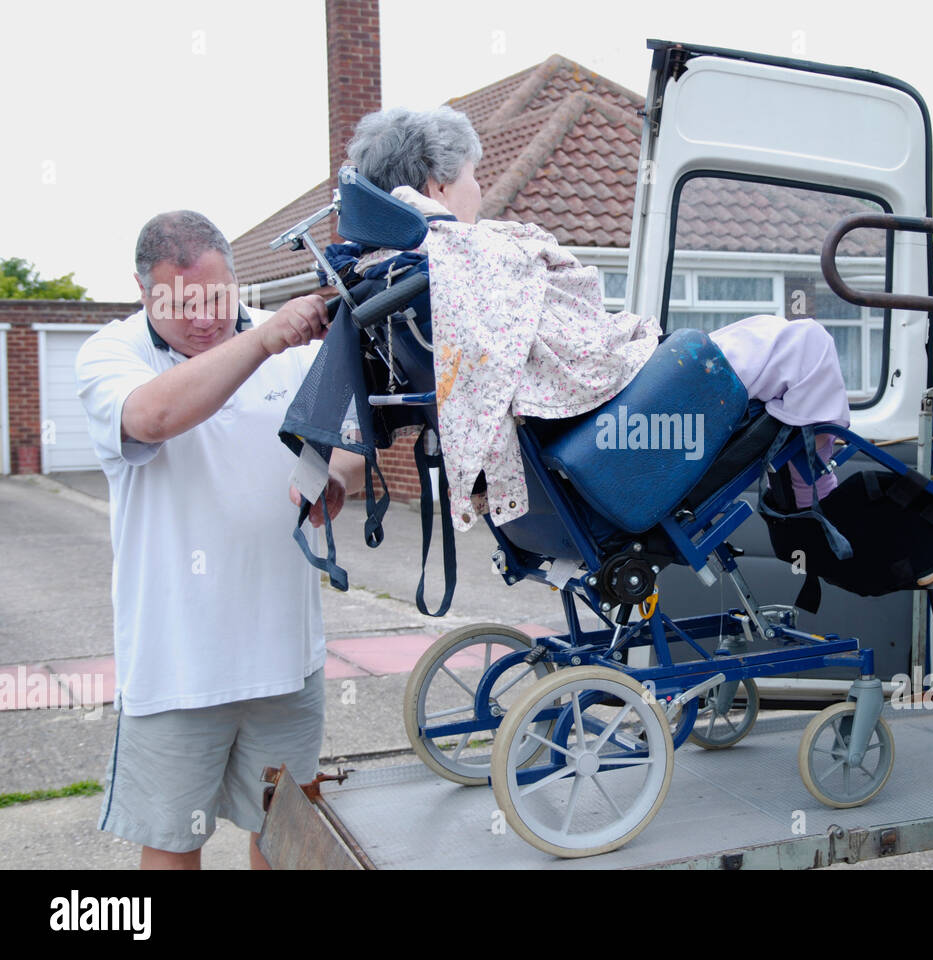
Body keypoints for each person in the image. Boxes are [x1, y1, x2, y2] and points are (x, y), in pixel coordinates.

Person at [341, 107, 847, 531]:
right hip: (615, 408)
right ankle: (812, 493)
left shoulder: (391, 275)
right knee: (803, 342)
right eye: (474, 176)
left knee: (759, 340)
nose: (479, 190)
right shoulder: (464, 254)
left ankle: (804, 477)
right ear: (438, 187)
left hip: (580, 431)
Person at [75, 210, 366, 869]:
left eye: (214, 297)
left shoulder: (291, 346)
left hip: (286, 659)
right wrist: (262, 339)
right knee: (176, 845)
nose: (203, 319)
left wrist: (334, 477)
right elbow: (154, 416)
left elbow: (344, 446)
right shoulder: (112, 355)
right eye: (180, 304)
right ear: (142, 291)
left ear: (234, 279)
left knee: (283, 837)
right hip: (176, 668)